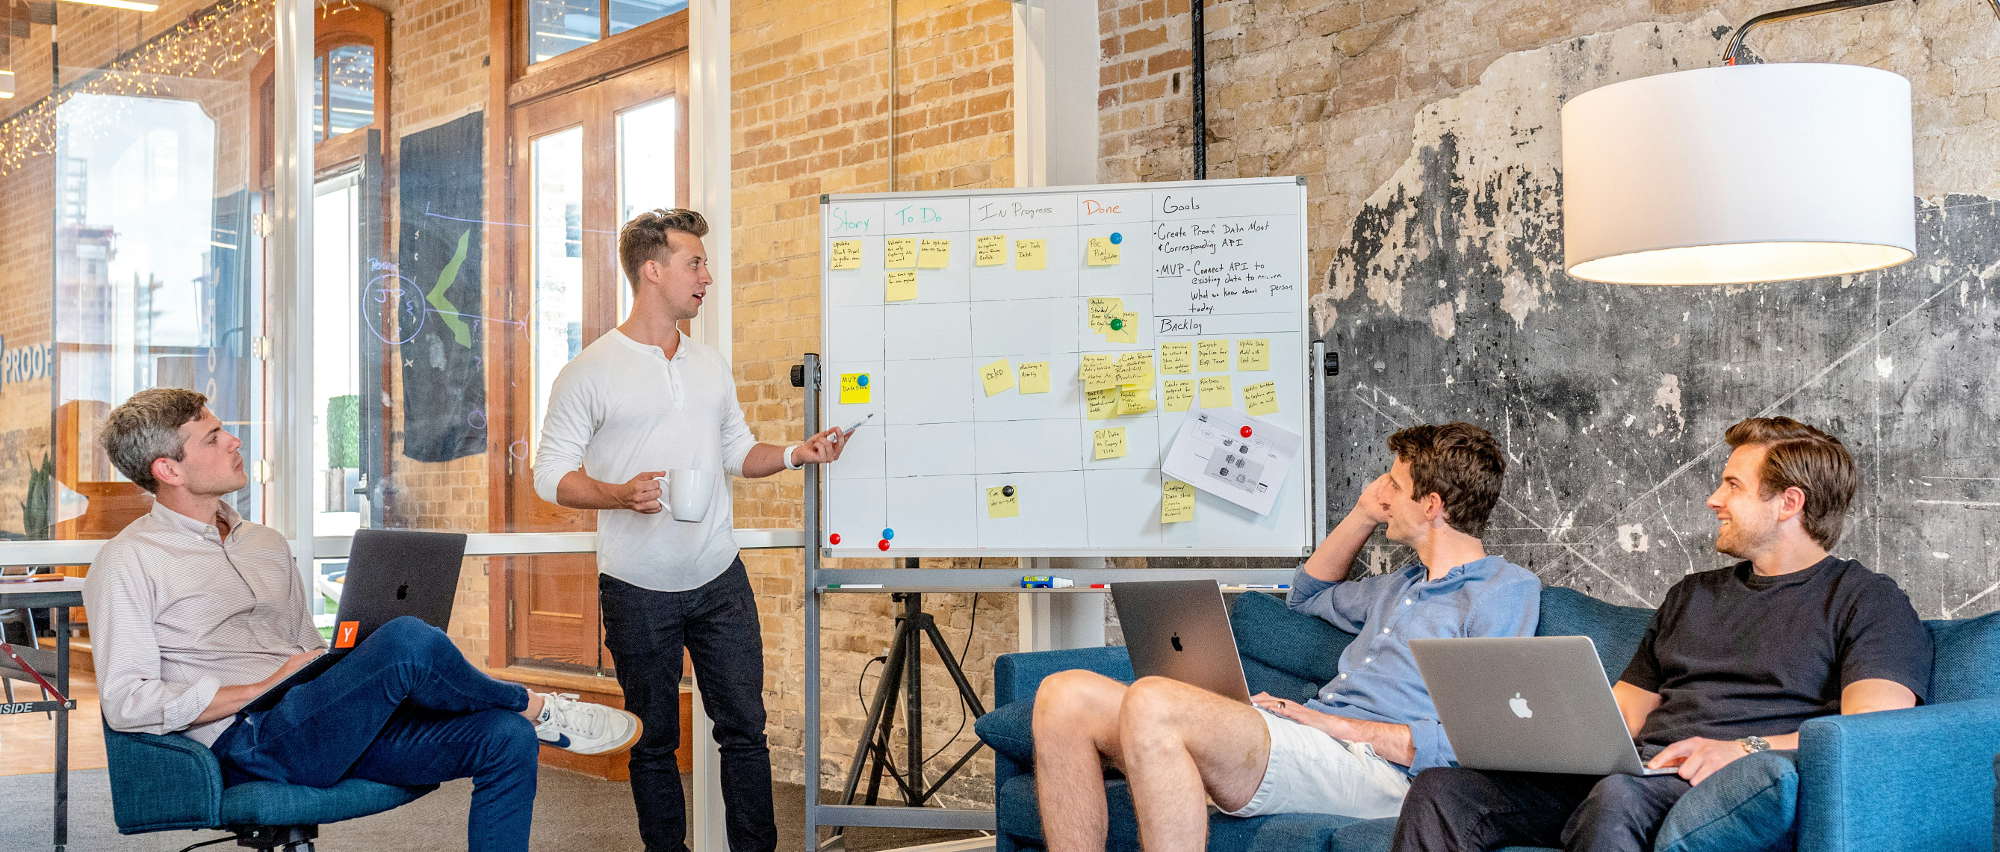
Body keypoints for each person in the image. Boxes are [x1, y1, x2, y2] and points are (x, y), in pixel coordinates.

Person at [86, 388, 640, 852]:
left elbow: (303, 646)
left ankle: (521, 716)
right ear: (168, 469)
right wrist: (261, 686)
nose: (234, 440)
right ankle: (534, 705)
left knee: (504, 737)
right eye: (212, 437)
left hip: (315, 719)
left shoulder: (264, 543)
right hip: (250, 741)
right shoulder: (128, 561)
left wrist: (343, 668)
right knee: (408, 640)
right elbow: (129, 702)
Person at [1393, 416, 1934, 852]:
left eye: (1732, 485)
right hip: (1640, 774)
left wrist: (1742, 749)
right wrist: (1542, 738)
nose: (1713, 499)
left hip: (1729, 784)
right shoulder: (1692, 595)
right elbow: (1623, 713)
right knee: (1445, 791)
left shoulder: (1866, 599)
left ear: (1789, 503)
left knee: (1617, 798)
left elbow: (1871, 731)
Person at [1031, 422, 1542, 852]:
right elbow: (1306, 595)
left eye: (1393, 483)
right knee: (1065, 695)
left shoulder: (1501, 591)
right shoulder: (1398, 586)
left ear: (1430, 505)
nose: (1382, 491)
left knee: (1155, 701)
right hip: (1313, 743)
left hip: (1378, 771)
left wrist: (1336, 725)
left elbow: (1483, 738)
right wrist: (1364, 513)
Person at [532, 207, 846, 852]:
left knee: (745, 732)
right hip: (636, 586)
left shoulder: (708, 364)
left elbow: (739, 451)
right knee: (653, 741)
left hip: (717, 575)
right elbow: (549, 475)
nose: (707, 276)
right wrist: (618, 494)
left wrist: (797, 453)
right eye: (694, 263)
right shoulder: (589, 370)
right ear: (652, 270)